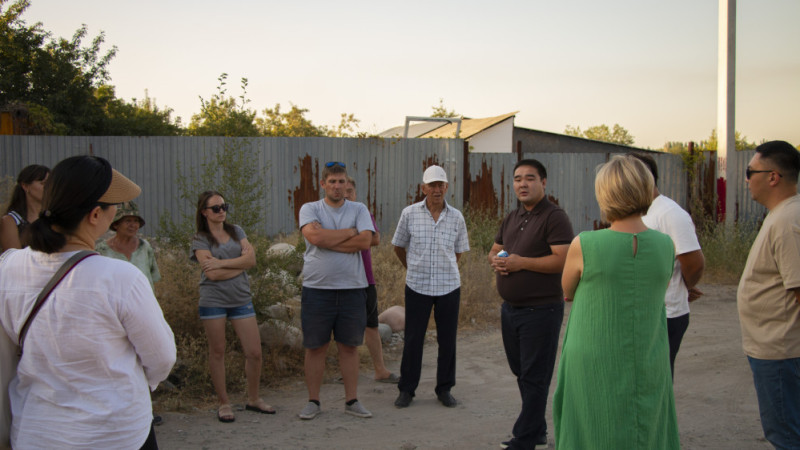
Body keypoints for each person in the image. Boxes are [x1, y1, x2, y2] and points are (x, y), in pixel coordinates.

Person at [0, 155, 176, 449]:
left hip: (36, 432)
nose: (118, 212)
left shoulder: (9, 266)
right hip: (115, 434)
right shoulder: (120, 277)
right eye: (114, 207)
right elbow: (161, 359)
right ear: (95, 215)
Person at [553, 154, 680, 449]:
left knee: (592, 424)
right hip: (649, 353)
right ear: (646, 189)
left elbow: (567, 291)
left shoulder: (584, 243)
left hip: (592, 355)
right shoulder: (665, 244)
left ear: (605, 194)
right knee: (645, 420)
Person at [488, 159, 573, 450]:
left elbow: (563, 259)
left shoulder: (554, 217)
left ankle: (524, 439)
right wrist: (497, 263)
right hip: (511, 310)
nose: (522, 184)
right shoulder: (512, 217)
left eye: (530, 178)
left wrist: (520, 262)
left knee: (535, 376)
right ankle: (536, 432)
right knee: (523, 373)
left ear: (544, 182)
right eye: (517, 179)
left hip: (541, 310)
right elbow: (495, 250)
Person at [297, 162, 375, 420]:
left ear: (346, 184)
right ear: (323, 184)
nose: (337, 186)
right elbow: (315, 239)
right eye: (332, 181)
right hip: (318, 290)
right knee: (316, 347)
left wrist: (331, 240)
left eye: (341, 181)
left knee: (350, 347)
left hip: (353, 289)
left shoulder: (359, 208)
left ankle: (352, 401)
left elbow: (366, 241)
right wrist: (350, 233)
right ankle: (313, 401)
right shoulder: (310, 209)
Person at [737, 140, 800, 449]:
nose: (746, 179)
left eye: (751, 171)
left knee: (787, 435)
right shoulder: (782, 215)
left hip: (781, 351)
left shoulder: (789, 221)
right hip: (775, 349)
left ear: (773, 177)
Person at [191, 191, 274, 423]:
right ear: (204, 212)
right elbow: (212, 274)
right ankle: (224, 402)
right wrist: (239, 265)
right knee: (218, 351)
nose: (221, 211)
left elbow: (252, 261)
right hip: (213, 300)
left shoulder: (236, 231)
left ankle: (254, 398)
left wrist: (221, 262)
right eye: (215, 208)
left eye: (223, 206)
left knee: (254, 352)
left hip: (241, 298)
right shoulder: (200, 238)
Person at [392, 165, 470, 408]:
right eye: (432, 185)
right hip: (417, 285)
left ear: (446, 187)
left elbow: (458, 252)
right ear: (423, 188)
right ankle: (407, 389)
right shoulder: (409, 213)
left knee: (448, 340)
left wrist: (443, 269)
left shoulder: (456, 216)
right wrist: (414, 267)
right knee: (414, 338)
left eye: (441, 185)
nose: (436, 190)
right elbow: (398, 246)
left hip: (449, 287)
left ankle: (444, 389)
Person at [630, 152, 705, 377]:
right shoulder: (640, 212)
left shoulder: (670, 214)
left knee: (655, 379)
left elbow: (694, 263)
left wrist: (684, 286)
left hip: (666, 315)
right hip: (642, 313)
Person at [344, 177, 399, 383]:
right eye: (344, 190)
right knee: (343, 328)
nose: (347, 194)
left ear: (355, 193)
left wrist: (344, 237)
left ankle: (380, 370)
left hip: (365, 279)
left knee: (371, 325)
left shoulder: (362, 212)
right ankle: (347, 371)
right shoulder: (332, 214)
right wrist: (358, 236)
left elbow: (374, 239)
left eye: (350, 190)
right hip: (341, 281)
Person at [97, 201, 161, 289]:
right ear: (116, 224)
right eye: (128, 221)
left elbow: (153, 278)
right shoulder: (102, 250)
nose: (133, 225)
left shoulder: (145, 247)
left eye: (136, 221)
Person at [1, 164, 49, 251]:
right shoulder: (11, 221)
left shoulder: (54, 217)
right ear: (25, 186)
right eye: (43, 183)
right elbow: (13, 258)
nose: (48, 188)